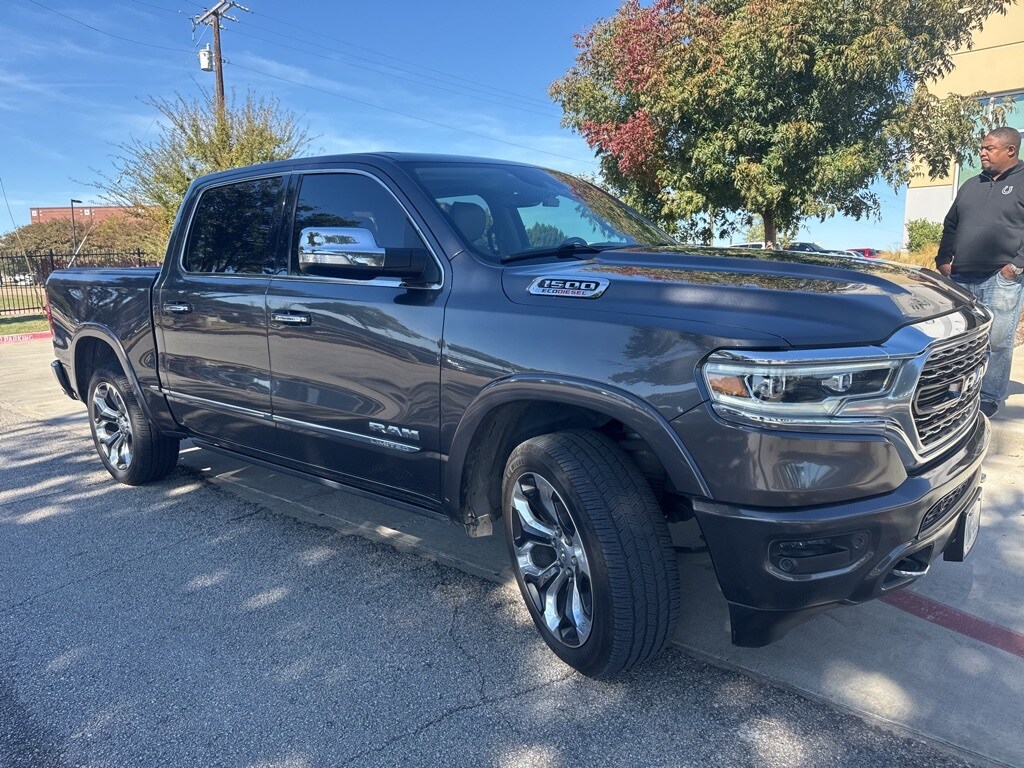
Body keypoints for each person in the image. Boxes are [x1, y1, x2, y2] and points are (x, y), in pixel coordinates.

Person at [936, 126, 1024, 417]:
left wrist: (1015, 266)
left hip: (1000, 278)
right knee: (957, 339)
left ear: (1010, 150)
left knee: (997, 341)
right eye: (982, 148)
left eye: (989, 148)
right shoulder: (971, 185)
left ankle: (988, 396)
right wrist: (943, 259)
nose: (982, 153)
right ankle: (954, 389)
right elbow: (951, 224)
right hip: (961, 277)